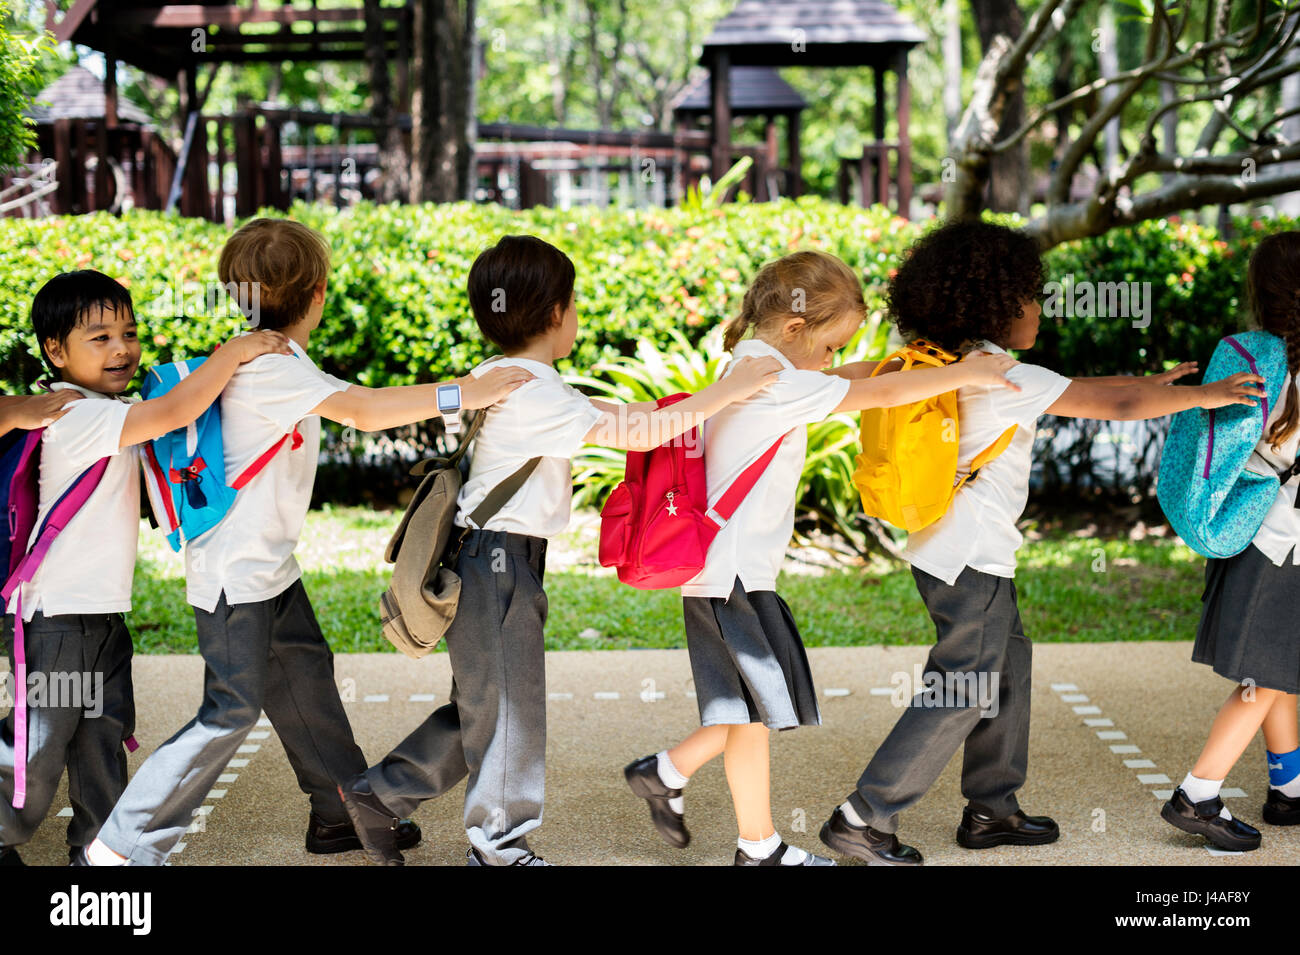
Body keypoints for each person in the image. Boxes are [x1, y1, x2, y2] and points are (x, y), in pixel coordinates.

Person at [82, 220, 532, 866]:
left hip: (267, 568)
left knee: (306, 680)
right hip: (236, 574)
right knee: (229, 710)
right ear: (318, 294)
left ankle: (338, 813)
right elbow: (364, 410)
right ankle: (120, 846)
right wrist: (465, 392)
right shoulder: (269, 368)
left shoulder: (275, 360)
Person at [817, 221, 1265, 865]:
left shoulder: (948, 363)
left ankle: (992, 809)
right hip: (970, 558)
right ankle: (865, 815)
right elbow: (1109, 406)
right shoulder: (1002, 376)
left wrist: (1155, 388)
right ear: (998, 305)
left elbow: (1088, 392)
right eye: (1032, 295)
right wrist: (1205, 396)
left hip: (948, 551)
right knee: (965, 682)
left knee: (1007, 668)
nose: (1040, 307)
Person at [339, 234, 784, 866]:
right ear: (556, 313)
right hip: (500, 564)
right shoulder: (537, 392)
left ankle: (377, 796)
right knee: (510, 711)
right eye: (572, 305)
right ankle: (497, 843)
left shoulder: (513, 380)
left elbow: (614, 411)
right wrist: (728, 393)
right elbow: (640, 428)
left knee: (485, 705)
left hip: (493, 561)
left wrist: (693, 404)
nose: (574, 316)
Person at [623, 250, 1023, 865]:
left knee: (749, 712)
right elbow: (881, 391)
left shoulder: (758, 362)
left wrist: (914, 364)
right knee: (753, 709)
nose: (836, 359)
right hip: (732, 576)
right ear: (795, 329)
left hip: (727, 573)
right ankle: (693, 793)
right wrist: (965, 373)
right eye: (832, 346)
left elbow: (864, 376)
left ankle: (716, 813)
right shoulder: (778, 382)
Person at [1, 269, 291, 866]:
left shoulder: (109, 406)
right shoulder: (78, 415)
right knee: (38, 744)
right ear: (56, 351)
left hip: (101, 614)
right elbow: (177, 409)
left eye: (129, 333)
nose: (122, 348)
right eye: (100, 337)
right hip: (56, 616)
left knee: (102, 735)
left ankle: (97, 848)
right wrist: (233, 351)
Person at [1161, 231, 1300, 851]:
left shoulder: (1246, 355)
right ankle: (1198, 795)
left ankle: (1289, 791)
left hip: (1245, 527)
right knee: (1264, 679)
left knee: (1275, 672)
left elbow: (1223, 451)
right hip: (1283, 547)